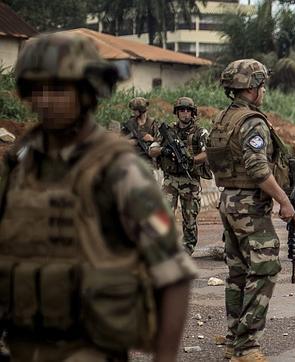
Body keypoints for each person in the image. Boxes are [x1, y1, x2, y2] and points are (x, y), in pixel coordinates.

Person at [0, 32, 196, 361]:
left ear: (87, 92)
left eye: (59, 88)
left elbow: (173, 274)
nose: (45, 100)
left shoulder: (118, 170)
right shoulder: (18, 162)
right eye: (37, 88)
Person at [206, 59, 295, 361]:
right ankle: (246, 346)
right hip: (248, 205)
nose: (264, 91)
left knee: (238, 273)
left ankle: (234, 339)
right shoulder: (252, 121)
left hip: (228, 200)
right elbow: (258, 168)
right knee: (265, 268)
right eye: (262, 85)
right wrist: (284, 201)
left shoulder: (224, 118)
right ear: (254, 88)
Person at [149, 97, 211, 255]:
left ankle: (188, 247)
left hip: (190, 180)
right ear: (177, 112)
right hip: (170, 179)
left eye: (188, 110)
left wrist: (192, 159)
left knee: (189, 217)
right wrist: (165, 151)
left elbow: (207, 153)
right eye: (181, 110)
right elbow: (152, 150)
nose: (185, 113)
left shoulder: (200, 132)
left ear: (193, 113)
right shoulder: (168, 131)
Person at [121, 96, 158, 163]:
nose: (133, 112)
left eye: (135, 110)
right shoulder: (130, 123)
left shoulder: (153, 123)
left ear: (141, 110)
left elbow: (160, 142)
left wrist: (152, 139)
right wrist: (131, 141)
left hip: (147, 160)